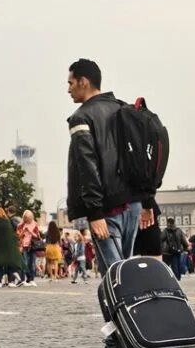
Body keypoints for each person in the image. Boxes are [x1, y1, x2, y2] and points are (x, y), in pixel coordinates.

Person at [65, 59, 151, 274]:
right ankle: (132, 307)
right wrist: (147, 200)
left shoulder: (81, 118)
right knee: (126, 269)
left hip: (106, 207)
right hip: (133, 204)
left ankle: (122, 309)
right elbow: (142, 157)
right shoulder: (124, 109)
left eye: (71, 83)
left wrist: (94, 213)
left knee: (115, 275)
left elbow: (87, 165)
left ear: (83, 82)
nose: (68, 90)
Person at [0, 207, 23, 287]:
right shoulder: (7, 222)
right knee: (9, 263)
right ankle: (11, 281)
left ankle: (0, 282)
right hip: (8, 246)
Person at [17, 211, 41, 285]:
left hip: (32, 246)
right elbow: (18, 236)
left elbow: (38, 236)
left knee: (32, 263)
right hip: (23, 246)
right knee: (25, 263)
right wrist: (23, 231)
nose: (27, 220)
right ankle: (23, 279)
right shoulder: (21, 225)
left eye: (29, 218)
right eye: (26, 218)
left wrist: (30, 231)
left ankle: (31, 279)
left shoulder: (35, 224)